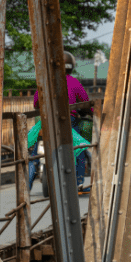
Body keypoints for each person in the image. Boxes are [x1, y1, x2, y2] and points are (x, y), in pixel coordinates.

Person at [29, 51, 93, 190]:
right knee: (79, 149)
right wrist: (91, 113)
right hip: (68, 121)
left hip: (46, 121)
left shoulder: (45, 81)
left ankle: (26, 185)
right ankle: (79, 182)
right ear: (71, 67)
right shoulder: (74, 82)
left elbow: (35, 103)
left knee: (34, 155)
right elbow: (86, 104)